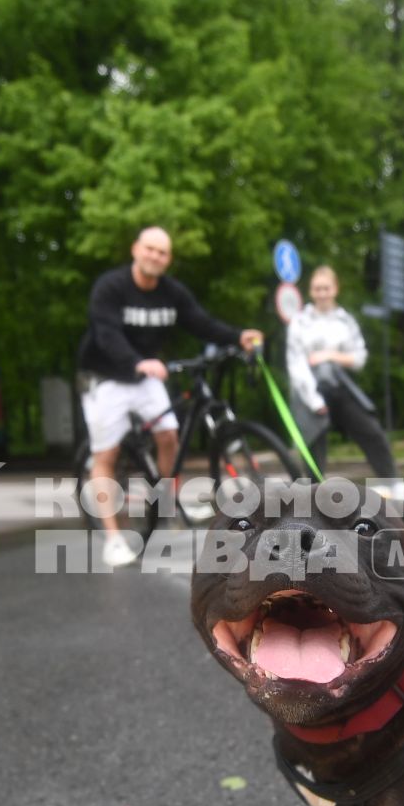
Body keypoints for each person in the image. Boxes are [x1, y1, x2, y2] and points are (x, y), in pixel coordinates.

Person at [78, 226, 263, 566]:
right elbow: (106, 333)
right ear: (136, 249)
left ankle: (166, 503)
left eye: (162, 252)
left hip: (146, 374)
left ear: (168, 259)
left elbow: (201, 323)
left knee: (169, 436)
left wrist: (239, 338)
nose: (155, 256)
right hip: (105, 375)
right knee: (106, 454)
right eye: (150, 249)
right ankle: (114, 539)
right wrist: (137, 362)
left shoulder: (172, 292)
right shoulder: (111, 287)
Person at [283, 265, 399, 481]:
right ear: (310, 291)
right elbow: (296, 365)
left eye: (326, 288)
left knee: (372, 432)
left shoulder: (346, 321)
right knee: (313, 449)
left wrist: (330, 355)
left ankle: (394, 486)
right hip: (309, 390)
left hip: (340, 385)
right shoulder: (300, 322)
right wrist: (315, 401)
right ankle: (313, 506)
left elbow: (359, 358)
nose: (322, 293)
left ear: (335, 289)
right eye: (317, 289)